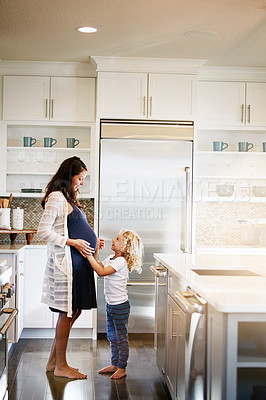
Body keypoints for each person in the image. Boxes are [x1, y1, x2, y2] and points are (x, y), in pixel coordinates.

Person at [37, 156, 97, 379]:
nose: (81, 183)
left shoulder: (68, 199)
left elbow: (77, 228)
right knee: (67, 313)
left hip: (79, 266)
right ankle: (61, 366)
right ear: (69, 175)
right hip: (68, 266)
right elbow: (43, 231)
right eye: (80, 178)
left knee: (75, 311)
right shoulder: (56, 197)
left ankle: (53, 362)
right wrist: (74, 242)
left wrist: (92, 240)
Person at [87, 229, 143, 380]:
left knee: (121, 337)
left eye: (117, 239)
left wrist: (87, 255)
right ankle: (114, 364)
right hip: (111, 305)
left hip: (120, 306)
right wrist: (96, 250)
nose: (113, 239)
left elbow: (101, 272)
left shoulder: (121, 262)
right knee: (112, 336)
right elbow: (98, 265)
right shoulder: (112, 258)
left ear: (125, 247)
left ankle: (122, 368)